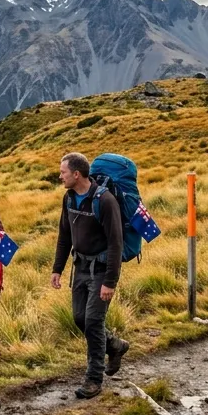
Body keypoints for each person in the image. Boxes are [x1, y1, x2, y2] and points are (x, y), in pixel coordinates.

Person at [50, 152, 131, 399]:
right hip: (80, 267)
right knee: (79, 318)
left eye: (63, 172)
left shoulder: (104, 200)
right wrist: (57, 268)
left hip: (102, 270)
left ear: (76, 174)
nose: (60, 176)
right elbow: (64, 235)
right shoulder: (70, 198)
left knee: (93, 321)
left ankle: (94, 378)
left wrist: (110, 282)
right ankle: (115, 346)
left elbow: (116, 243)